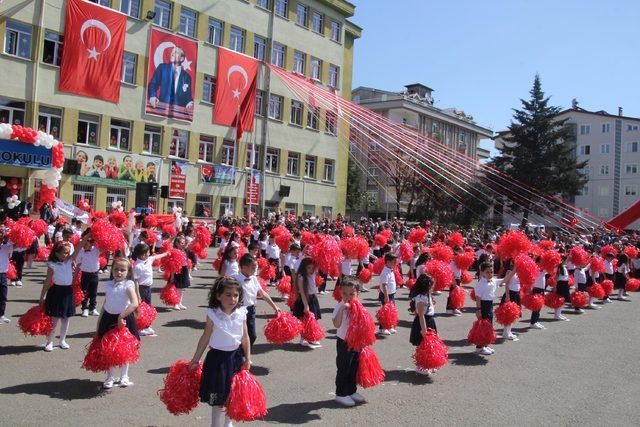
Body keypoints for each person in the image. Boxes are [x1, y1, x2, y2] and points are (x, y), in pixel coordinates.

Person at [189, 277, 250, 427]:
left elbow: (245, 337)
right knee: (218, 395)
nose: (232, 299)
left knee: (232, 392)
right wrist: (196, 359)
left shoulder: (242, 313)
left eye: (236, 295)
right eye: (228, 295)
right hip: (217, 359)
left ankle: (228, 423)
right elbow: (205, 336)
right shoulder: (212, 314)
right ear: (218, 296)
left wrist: (248, 358)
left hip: (235, 358)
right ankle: (215, 424)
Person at [98, 257, 140, 389]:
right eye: (116, 269)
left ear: (128, 272)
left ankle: (124, 376)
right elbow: (105, 304)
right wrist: (99, 321)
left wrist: (121, 316)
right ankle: (110, 376)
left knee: (124, 348)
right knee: (109, 348)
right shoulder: (109, 284)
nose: (119, 272)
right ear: (112, 270)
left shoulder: (128, 284)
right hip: (108, 318)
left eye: (123, 270)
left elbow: (134, 303)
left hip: (124, 319)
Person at [39, 240, 85, 352]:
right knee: (54, 320)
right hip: (56, 292)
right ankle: (49, 342)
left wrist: (87, 236)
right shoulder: (52, 265)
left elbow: (79, 247)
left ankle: (62, 340)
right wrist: (42, 297)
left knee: (66, 319)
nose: (67, 255)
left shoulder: (69, 261)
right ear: (56, 253)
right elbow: (47, 281)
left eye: (68, 252)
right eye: (64, 252)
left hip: (68, 292)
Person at [332, 276, 366, 407]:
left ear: (358, 293)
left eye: (352, 294)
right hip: (344, 342)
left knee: (353, 368)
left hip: (356, 342)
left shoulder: (358, 306)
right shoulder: (340, 306)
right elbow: (336, 324)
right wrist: (342, 309)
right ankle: (340, 394)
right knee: (343, 368)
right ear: (340, 292)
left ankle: (351, 391)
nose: (348, 296)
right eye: (345, 293)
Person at [232, 253, 280, 345]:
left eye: (256, 267)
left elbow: (263, 293)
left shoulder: (254, 279)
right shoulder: (235, 280)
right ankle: (241, 356)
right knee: (240, 336)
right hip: (238, 311)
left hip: (251, 310)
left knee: (252, 336)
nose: (255, 270)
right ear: (244, 267)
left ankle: (242, 355)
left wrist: (275, 307)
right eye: (253, 267)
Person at [131, 243, 169, 336]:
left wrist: (166, 253)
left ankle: (146, 325)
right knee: (141, 309)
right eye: (147, 252)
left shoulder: (148, 259)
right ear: (142, 254)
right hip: (141, 288)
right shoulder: (137, 266)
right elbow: (135, 281)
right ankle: (140, 328)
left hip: (148, 288)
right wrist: (138, 294)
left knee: (148, 307)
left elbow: (156, 257)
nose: (149, 253)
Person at [147, 47, 194, 112]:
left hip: (179, 113)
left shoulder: (186, 77)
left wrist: (190, 102)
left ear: (181, 58)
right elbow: (153, 84)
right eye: (172, 52)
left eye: (176, 52)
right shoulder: (162, 68)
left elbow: (188, 96)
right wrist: (152, 96)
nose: (172, 53)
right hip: (162, 108)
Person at [409, 274, 437, 375]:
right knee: (423, 345)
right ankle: (420, 366)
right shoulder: (421, 298)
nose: (433, 287)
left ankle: (428, 364)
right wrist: (424, 330)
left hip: (429, 320)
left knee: (430, 345)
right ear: (426, 286)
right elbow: (421, 315)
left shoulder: (427, 295)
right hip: (423, 322)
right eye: (431, 285)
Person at [292, 257, 322, 349]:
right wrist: (306, 305)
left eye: (312, 268)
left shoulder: (313, 273)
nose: (311, 270)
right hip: (304, 299)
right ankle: (303, 338)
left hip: (313, 298)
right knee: (305, 320)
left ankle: (310, 337)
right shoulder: (301, 276)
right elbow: (302, 292)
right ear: (304, 267)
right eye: (309, 268)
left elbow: (319, 261)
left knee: (313, 319)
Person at [474, 262, 496, 355]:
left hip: (489, 304)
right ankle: (479, 347)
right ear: (482, 272)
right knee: (483, 327)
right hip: (483, 305)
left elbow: (505, 279)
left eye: (491, 272)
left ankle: (485, 345)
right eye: (487, 272)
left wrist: (515, 269)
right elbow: (478, 297)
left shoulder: (492, 280)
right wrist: (478, 310)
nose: (490, 274)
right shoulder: (480, 283)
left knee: (489, 326)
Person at [77, 235, 101, 318]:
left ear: (91, 243)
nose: (84, 245)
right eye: (84, 243)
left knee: (94, 292)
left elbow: (104, 248)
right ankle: (84, 308)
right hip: (85, 274)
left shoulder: (96, 250)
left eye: (87, 243)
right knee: (84, 292)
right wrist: (75, 277)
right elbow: (78, 265)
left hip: (94, 274)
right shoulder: (81, 252)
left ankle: (92, 308)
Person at [499, 259, 521, 340]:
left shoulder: (519, 272)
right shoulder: (509, 272)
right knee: (508, 314)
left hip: (516, 294)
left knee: (513, 314)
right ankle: (506, 332)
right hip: (510, 294)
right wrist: (507, 295)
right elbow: (506, 283)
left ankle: (508, 331)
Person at [378, 253, 397, 336]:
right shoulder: (385, 272)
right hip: (386, 295)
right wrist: (386, 296)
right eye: (394, 262)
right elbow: (384, 285)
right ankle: (382, 328)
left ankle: (389, 326)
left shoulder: (390, 270)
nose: (395, 263)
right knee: (385, 312)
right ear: (388, 262)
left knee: (391, 311)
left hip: (391, 294)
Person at [172, 234, 190, 311]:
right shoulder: (174, 251)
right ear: (177, 243)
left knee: (182, 288)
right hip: (177, 270)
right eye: (181, 243)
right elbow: (172, 264)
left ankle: (179, 302)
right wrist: (172, 275)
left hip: (184, 269)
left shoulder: (184, 250)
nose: (183, 244)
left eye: (184, 243)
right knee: (177, 288)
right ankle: (175, 303)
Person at [0, 228, 12, 323]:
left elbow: (20, 246)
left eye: (2, 236)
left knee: (3, 296)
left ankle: (1, 315)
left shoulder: (6, 247)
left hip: (2, 274)